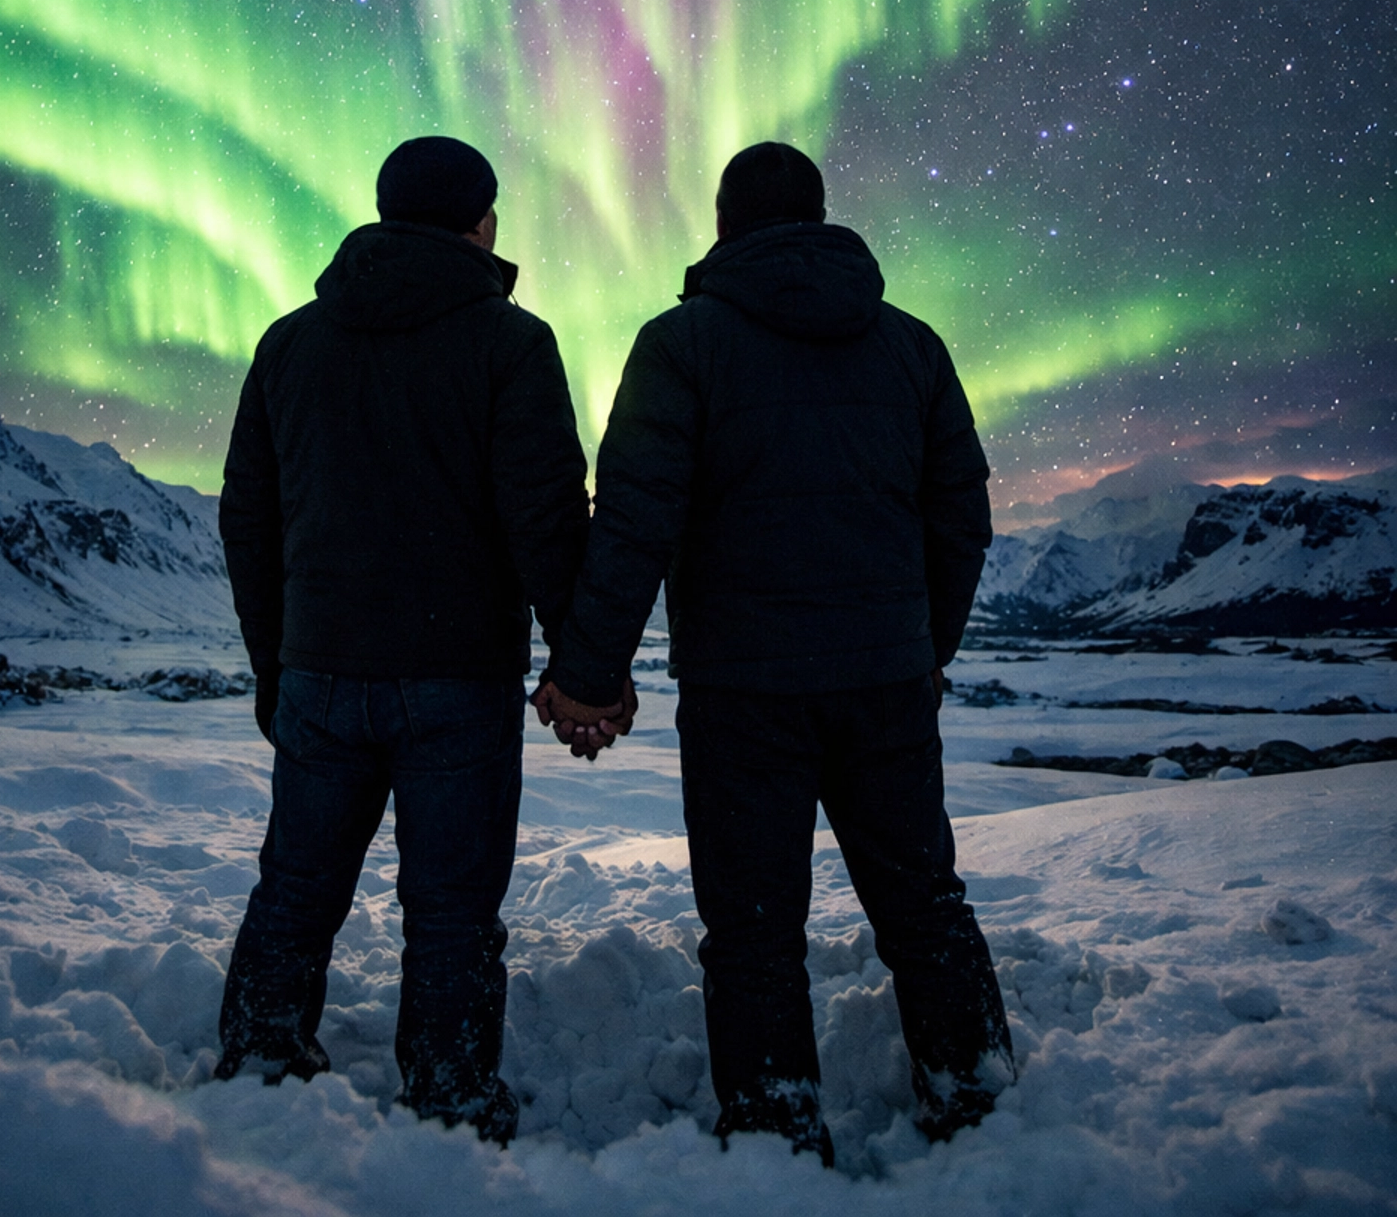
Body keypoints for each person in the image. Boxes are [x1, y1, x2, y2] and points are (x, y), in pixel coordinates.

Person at [534, 141, 1013, 1161]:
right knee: (924, 904)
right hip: (885, 679)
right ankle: (982, 1105)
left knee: (753, 931)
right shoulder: (912, 348)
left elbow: (633, 521)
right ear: (820, 216)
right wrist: (927, 648)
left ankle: (776, 1135)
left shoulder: (683, 345)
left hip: (743, 691)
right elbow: (960, 517)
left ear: (722, 227)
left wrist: (587, 672)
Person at [215, 134, 590, 1143]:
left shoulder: (291, 343)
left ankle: (256, 1066)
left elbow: (246, 517)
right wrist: (582, 666)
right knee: (455, 912)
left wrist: (277, 660)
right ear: (482, 221)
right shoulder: (511, 345)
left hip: (321, 671)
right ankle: (452, 1103)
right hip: (458, 680)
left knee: (295, 889)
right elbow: (547, 518)